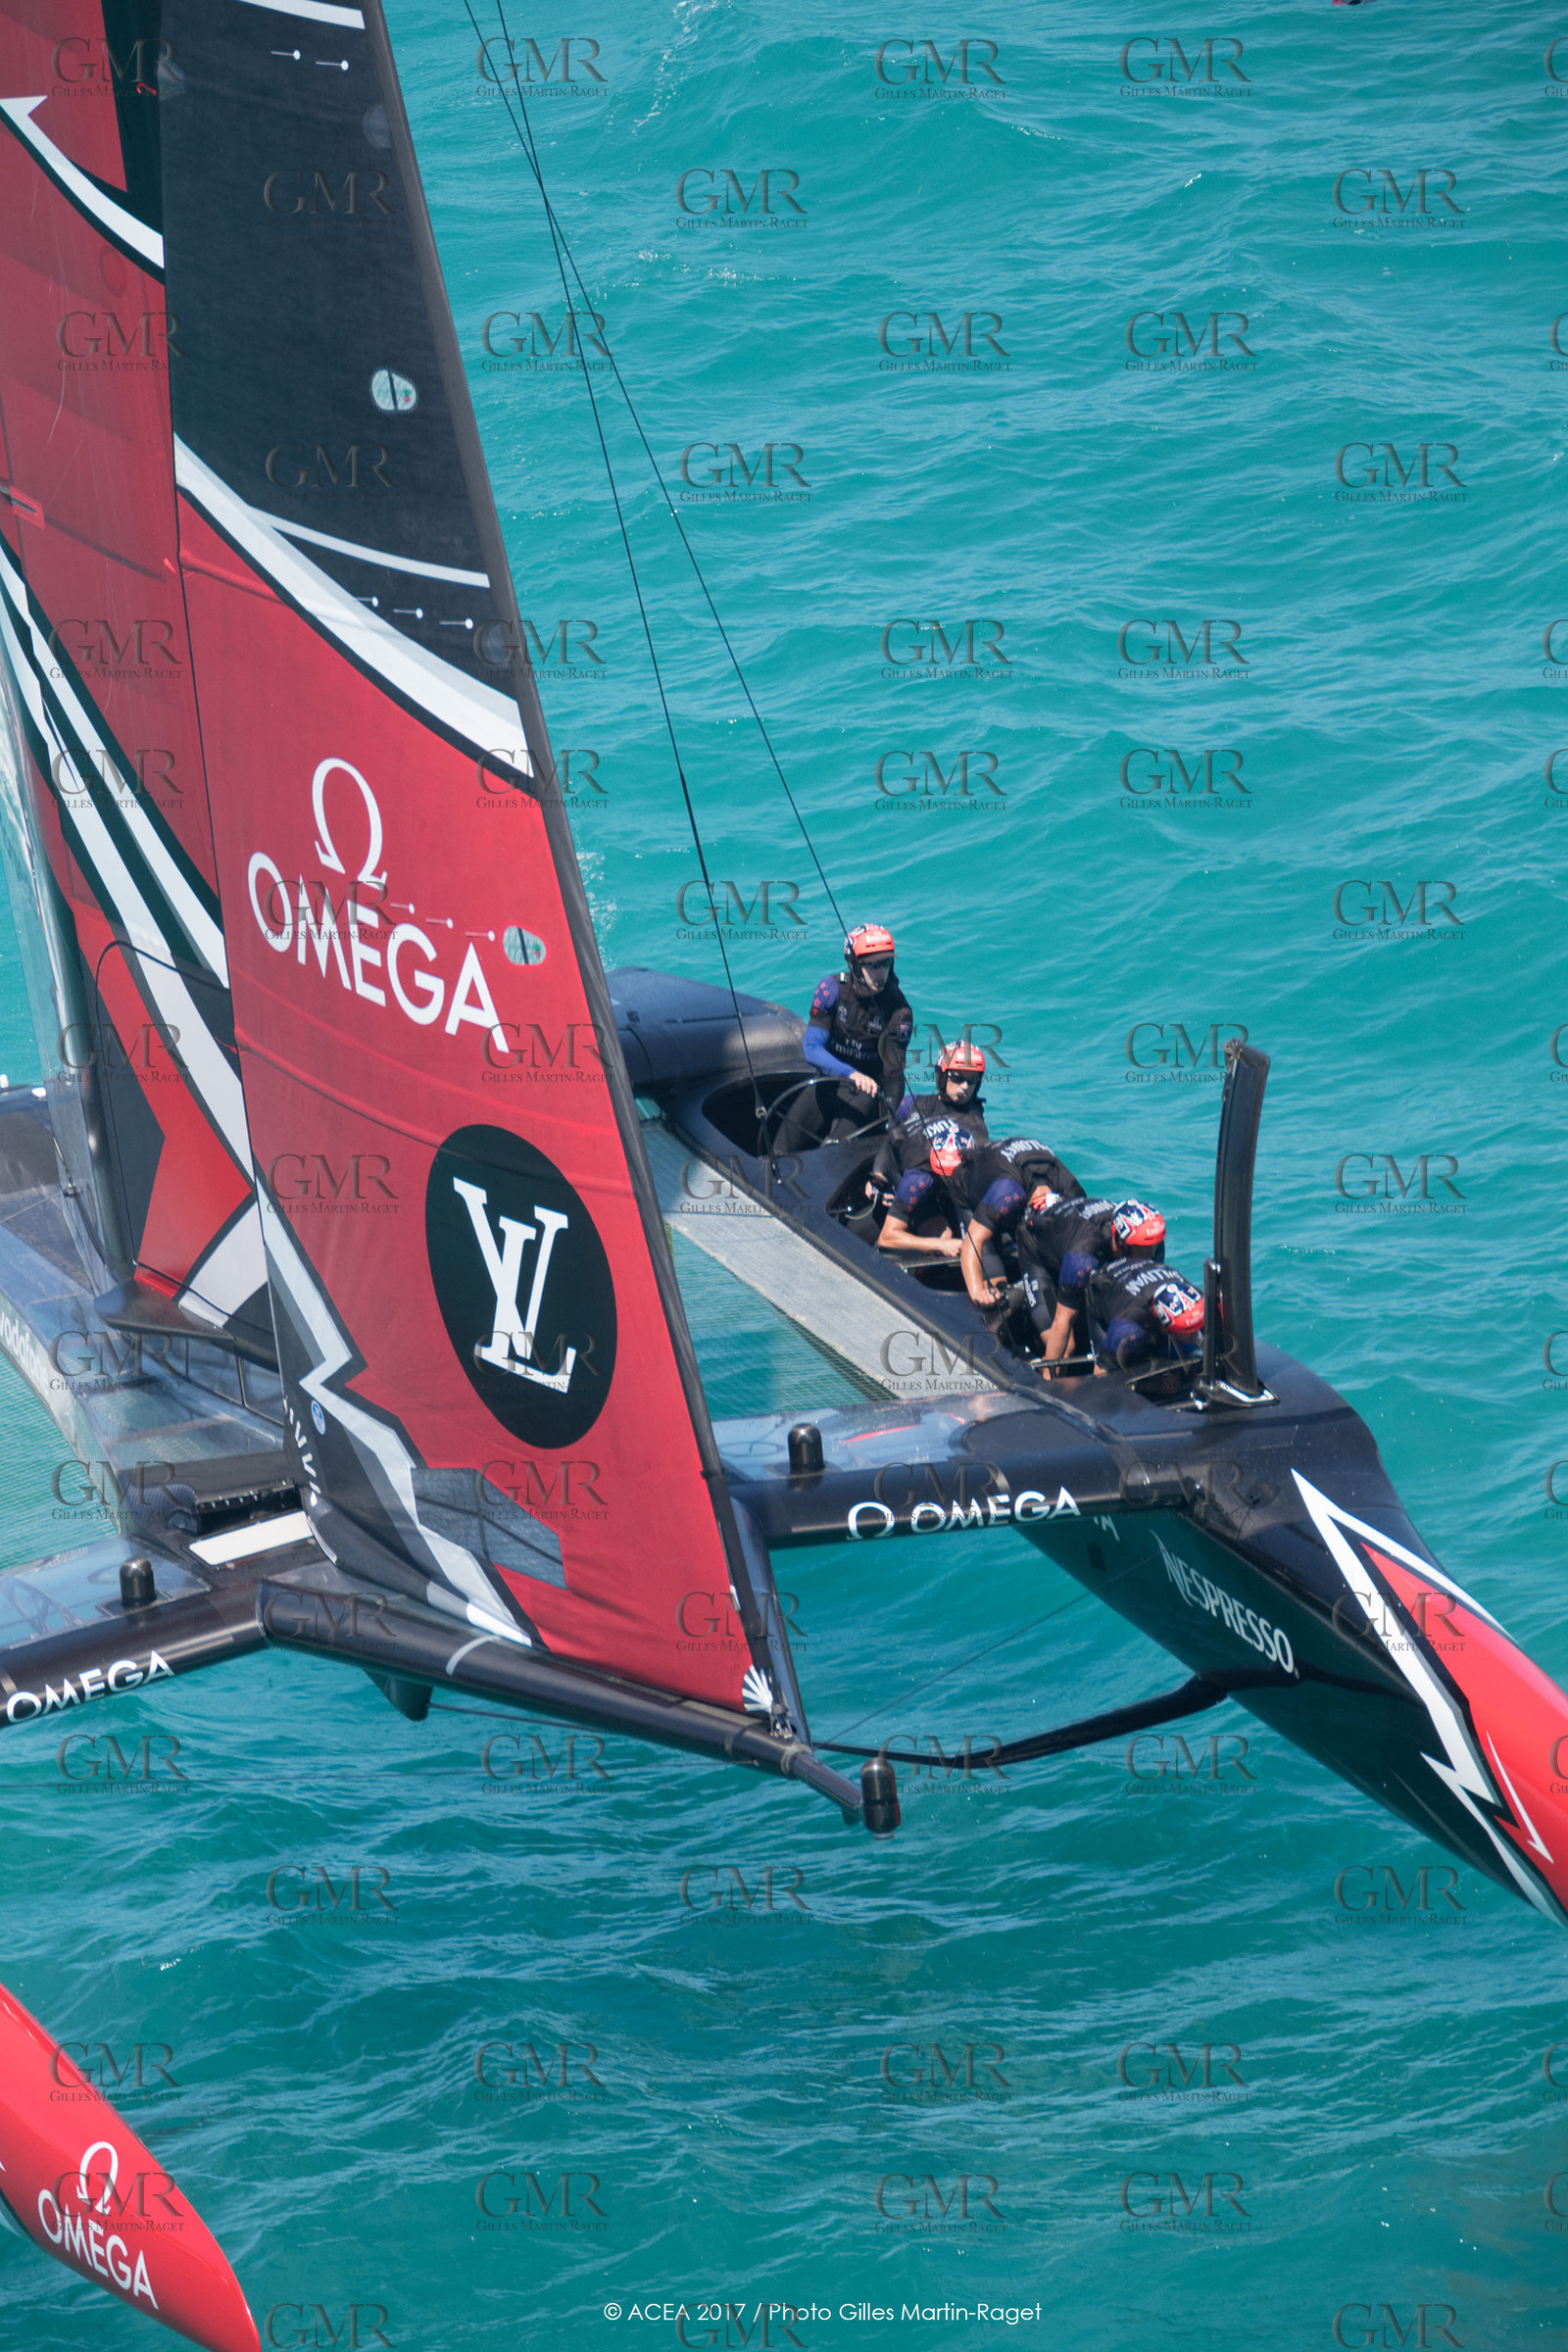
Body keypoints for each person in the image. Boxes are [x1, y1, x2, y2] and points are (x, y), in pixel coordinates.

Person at [775, 923, 913, 1152]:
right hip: (827, 1081)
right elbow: (811, 1047)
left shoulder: (899, 1011)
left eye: (886, 963)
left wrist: (890, 1118)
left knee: (833, 1152)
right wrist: (850, 1073)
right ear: (855, 965)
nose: (881, 973)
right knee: (779, 1149)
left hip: (867, 1093)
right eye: (872, 966)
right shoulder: (831, 989)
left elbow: (894, 1074)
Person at [1026, 1197, 1165, 1366]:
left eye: (1152, 1247)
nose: (1149, 1256)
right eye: (1141, 1250)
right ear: (1119, 1241)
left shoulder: (1152, 1243)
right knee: (1067, 1349)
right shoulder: (1082, 1256)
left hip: (1084, 1249)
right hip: (1040, 1252)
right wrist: (1049, 1373)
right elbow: (1063, 1319)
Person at [956, 1137, 1085, 1318]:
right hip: (970, 1184)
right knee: (993, 1279)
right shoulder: (1007, 1192)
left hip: (1016, 1170)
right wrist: (977, 1292)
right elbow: (972, 1241)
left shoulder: (1071, 1191)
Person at [868, 1041, 991, 1204]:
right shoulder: (912, 1102)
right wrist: (878, 1177)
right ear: (941, 1076)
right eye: (957, 1078)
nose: (965, 1087)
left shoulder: (974, 1117)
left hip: (938, 1199)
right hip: (896, 1186)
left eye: (972, 1080)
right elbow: (889, 1141)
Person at [1087, 1253, 1205, 1385]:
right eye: (1187, 1330)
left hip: (1146, 1274)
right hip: (1104, 1294)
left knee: (1182, 1365)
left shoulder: (1197, 1300)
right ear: (1164, 1328)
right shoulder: (1126, 1328)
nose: (1195, 1335)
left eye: (1197, 1326)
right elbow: (1100, 1372)